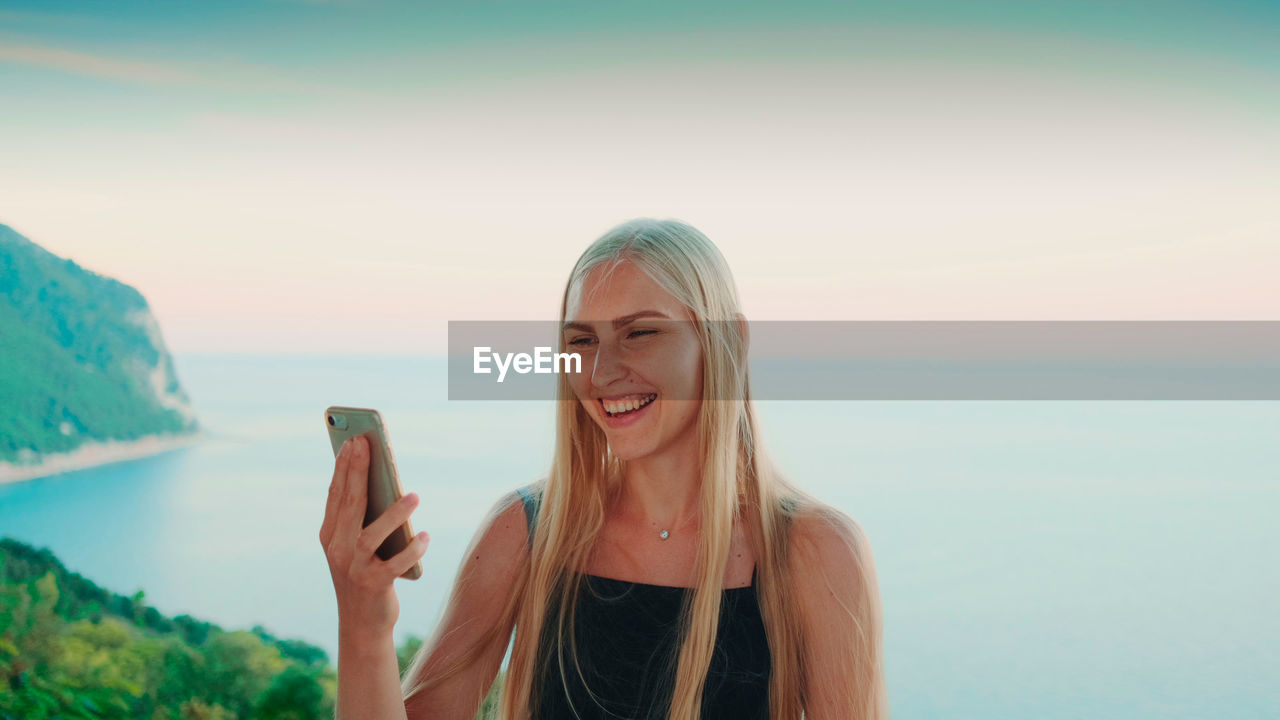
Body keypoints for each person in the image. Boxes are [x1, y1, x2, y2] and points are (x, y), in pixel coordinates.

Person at [320, 218, 888, 720]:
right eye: (582, 340)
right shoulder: (527, 531)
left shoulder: (815, 550)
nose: (601, 371)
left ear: (728, 342)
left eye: (641, 333)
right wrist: (365, 622)